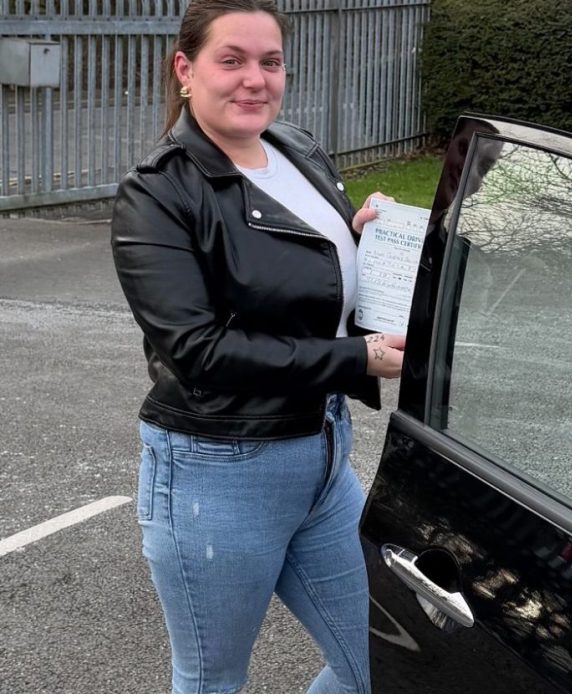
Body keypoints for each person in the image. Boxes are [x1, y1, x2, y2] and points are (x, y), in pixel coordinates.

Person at [110, 1, 404, 692]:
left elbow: (304, 276)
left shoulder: (296, 148)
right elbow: (199, 349)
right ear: (186, 70)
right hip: (218, 471)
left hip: (323, 454)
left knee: (381, 668)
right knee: (213, 680)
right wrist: (356, 361)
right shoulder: (157, 193)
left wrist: (364, 242)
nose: (254, 80)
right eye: (232, 60)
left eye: (269, 63)